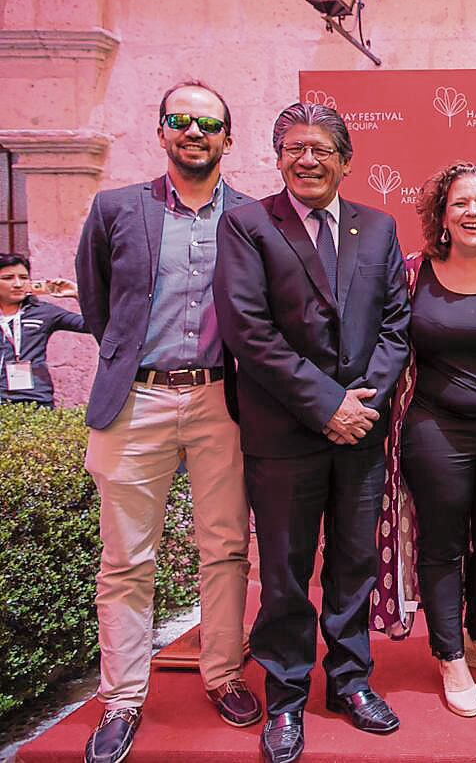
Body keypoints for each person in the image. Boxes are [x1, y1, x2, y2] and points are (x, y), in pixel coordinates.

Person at [213, 102, 410, 763]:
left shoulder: (378, 228)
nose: (308, 159)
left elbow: (394, 328)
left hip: (361, 434)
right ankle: (289, 696)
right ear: (277, 157)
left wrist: (362, 404)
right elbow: (248, 332)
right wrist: (328, 403)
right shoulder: (246, 226)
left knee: (355, 567)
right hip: (286, 432)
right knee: (289, 574)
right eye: (295, 147)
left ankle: (350, 683)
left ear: (345, 161)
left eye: (322, 149)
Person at [75, 80, 260, 763]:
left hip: (221, 401)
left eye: (208, 124)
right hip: (135, 402)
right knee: (125, 559)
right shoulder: (115, 208)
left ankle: (222, 673)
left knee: (226, 548)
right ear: (160, 132)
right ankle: (120, 701)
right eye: (180, 120)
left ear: (227, 139)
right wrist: (134, 365)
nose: (194, 132)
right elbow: (98, 304)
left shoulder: (251, 215)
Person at [391, 162, 476, 718]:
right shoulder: (411, 272)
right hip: (433, 428)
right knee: (444, 543)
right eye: (460, 203)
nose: (473, 212)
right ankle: (449, 652)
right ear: (442, 216)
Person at [0, 253, 86, 407]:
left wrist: (78, 294)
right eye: (8, 278)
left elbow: (92, 326)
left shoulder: (44, 312)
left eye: (24, 277)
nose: (18, 284)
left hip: (36, 401)